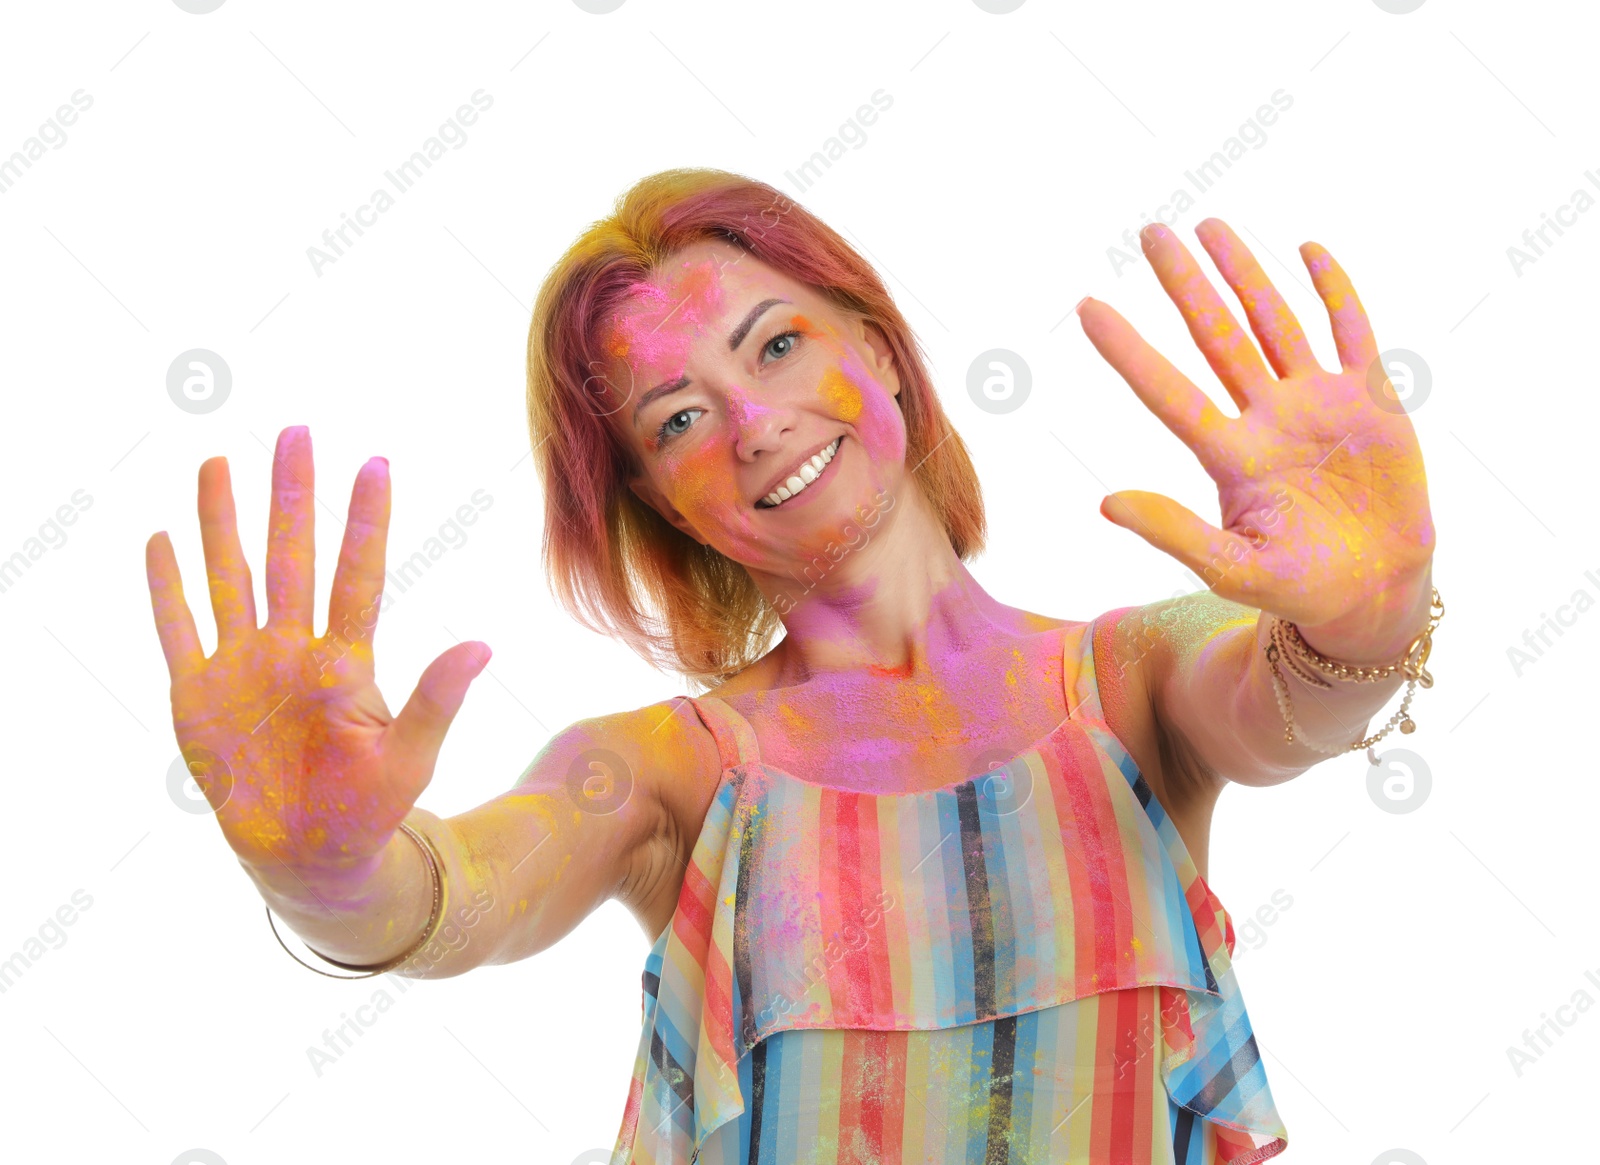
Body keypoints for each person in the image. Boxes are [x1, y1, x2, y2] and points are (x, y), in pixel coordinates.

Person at [145, 168, 1440, 1164]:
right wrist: (326, 872)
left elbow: (1290, 697)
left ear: (874, 346)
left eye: (773, 345)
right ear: (662, 506)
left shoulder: (1132, 681)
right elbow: (463, 888)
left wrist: (1371, 616)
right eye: (681, 417)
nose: (756, 422)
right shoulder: (661, 771)